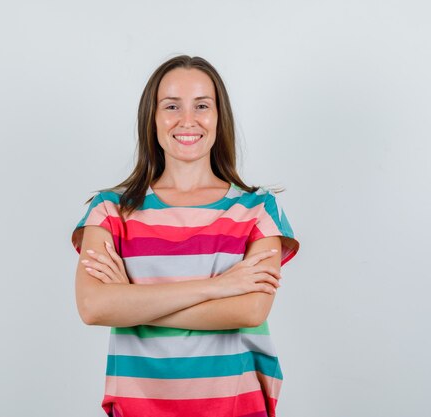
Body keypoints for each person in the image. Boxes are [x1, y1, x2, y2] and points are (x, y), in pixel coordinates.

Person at [70, 55, 300, 417]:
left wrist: (131, 303)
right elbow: (93, 307)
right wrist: (217, 287)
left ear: (218, 116)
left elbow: (251, 308)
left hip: (236, 409)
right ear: (153, 117)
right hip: (137, 409)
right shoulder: (110, 210)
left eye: (202, 106)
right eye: (172, 106)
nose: (187, 120)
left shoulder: (258, 209)